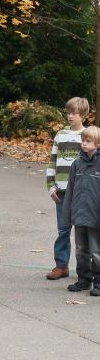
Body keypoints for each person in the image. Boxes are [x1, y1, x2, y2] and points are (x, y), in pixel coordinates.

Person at [45, 97, 89, 280]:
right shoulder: (60, 135)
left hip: (81, 193)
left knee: (83, 231)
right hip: (61, 191)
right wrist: (51, 186)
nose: (71, 116)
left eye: (75, 113)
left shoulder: (88, 136)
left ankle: (85, 270)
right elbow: (52, 161)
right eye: (69, 113)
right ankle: (61, 265)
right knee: (63, 230)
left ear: (84, 116)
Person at [63, 126, 100, 295]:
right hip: (79, 215)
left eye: (88, 141)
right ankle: (84, 280)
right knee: (81, 249)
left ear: (97, 144)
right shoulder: (77, 164)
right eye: (82, 140)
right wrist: (68, 214)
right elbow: (70, 190)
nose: (83, 144)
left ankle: (98, 282)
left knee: (96, 250)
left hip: (95, 217)